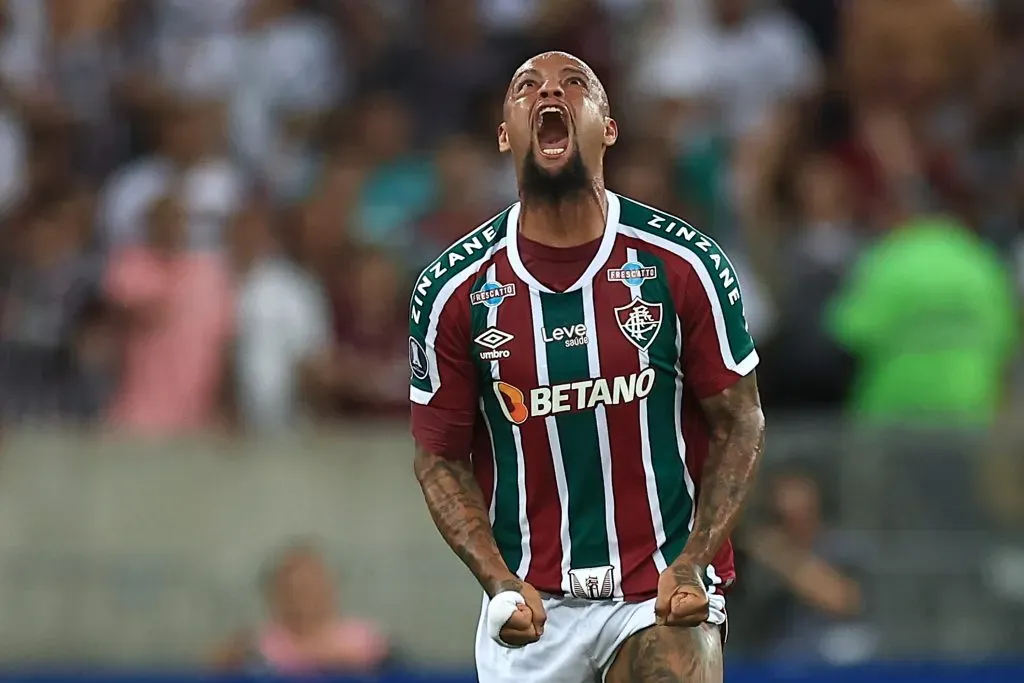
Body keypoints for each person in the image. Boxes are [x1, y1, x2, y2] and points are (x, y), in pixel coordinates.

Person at [409, 52, 765, 682]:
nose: (550, 93)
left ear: (608, 127)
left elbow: (740, 421)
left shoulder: (683, 264)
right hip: (534, 605)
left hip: (658, 589)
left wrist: (694, 559)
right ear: (503, 134)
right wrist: (498, 580)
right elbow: (440, 458)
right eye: (527, 87)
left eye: (575, 84)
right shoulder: (454, 290)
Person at [213, 541, 390, 674]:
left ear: (330, 589)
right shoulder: (255, 645)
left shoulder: (364, 643)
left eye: (308, 588)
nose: (301, 600)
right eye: (291, 589)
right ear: (274, 595)